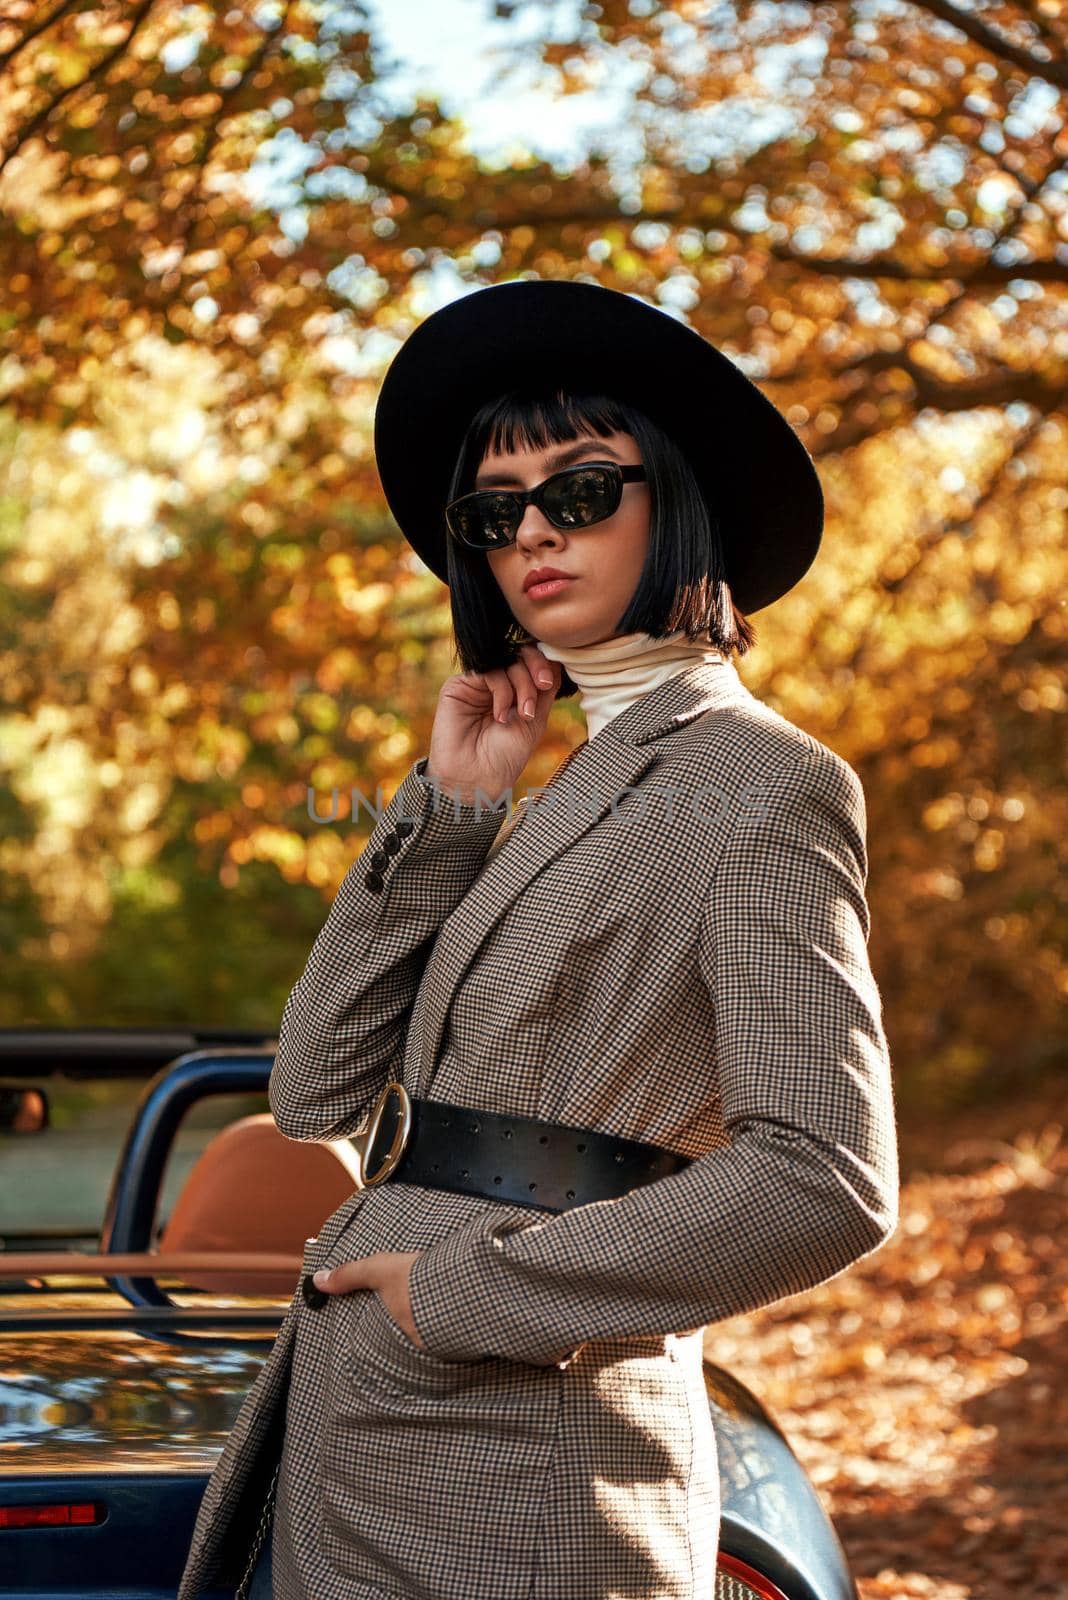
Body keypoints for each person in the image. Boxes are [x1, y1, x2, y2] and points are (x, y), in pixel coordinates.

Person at [178, 279, 899, 1600]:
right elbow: (316, 1088)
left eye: (576, 491)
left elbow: (823, 1179)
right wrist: (456, 805)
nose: (528, 535)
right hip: (363, 1444)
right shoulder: (560, 784)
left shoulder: (765, 781)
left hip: (530, 1456)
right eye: (492, 511)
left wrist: (450, 1299)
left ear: (673, 497)